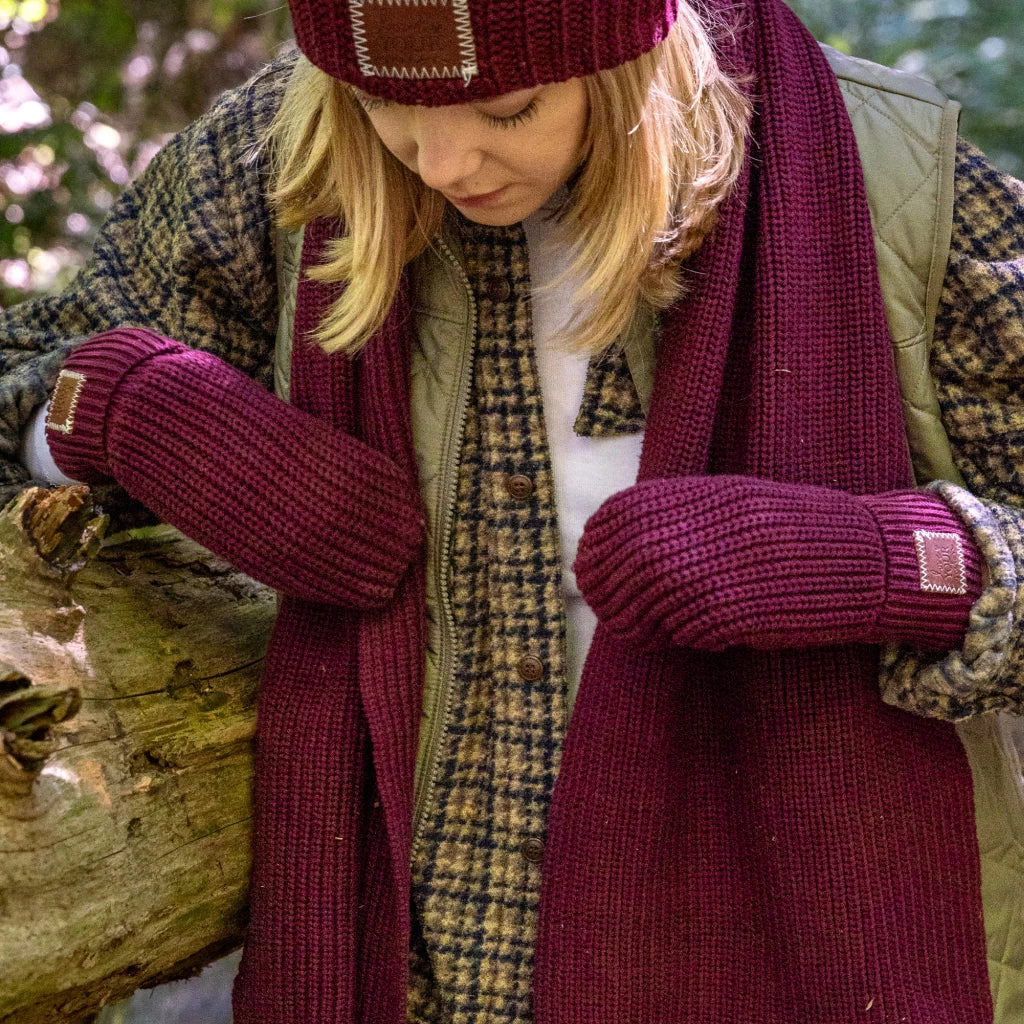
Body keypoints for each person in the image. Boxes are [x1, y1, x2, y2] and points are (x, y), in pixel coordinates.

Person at [2, 0, 1023, 1021]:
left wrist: (890, 561)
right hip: (408, 976)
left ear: (627, 61)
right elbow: (22, 378)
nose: (442, 161)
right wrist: (113, 409)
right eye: (388, 105)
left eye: (507, 109)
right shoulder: (278, 153)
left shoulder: (889, 174)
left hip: (803, 959)